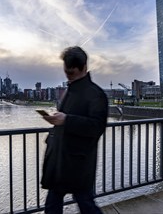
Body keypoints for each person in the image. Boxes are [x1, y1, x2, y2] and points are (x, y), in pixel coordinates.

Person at [41, 46, 108, 214]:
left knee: (85, 203)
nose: (68, 77)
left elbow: (97, 127)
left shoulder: (96, 94)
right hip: (60, 159)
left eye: (72, 73)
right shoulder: (70, 90)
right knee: (54, 204)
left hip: (78, 162)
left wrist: (66, 119)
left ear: (84, 68)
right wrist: (56, 119)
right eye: (66, 73)